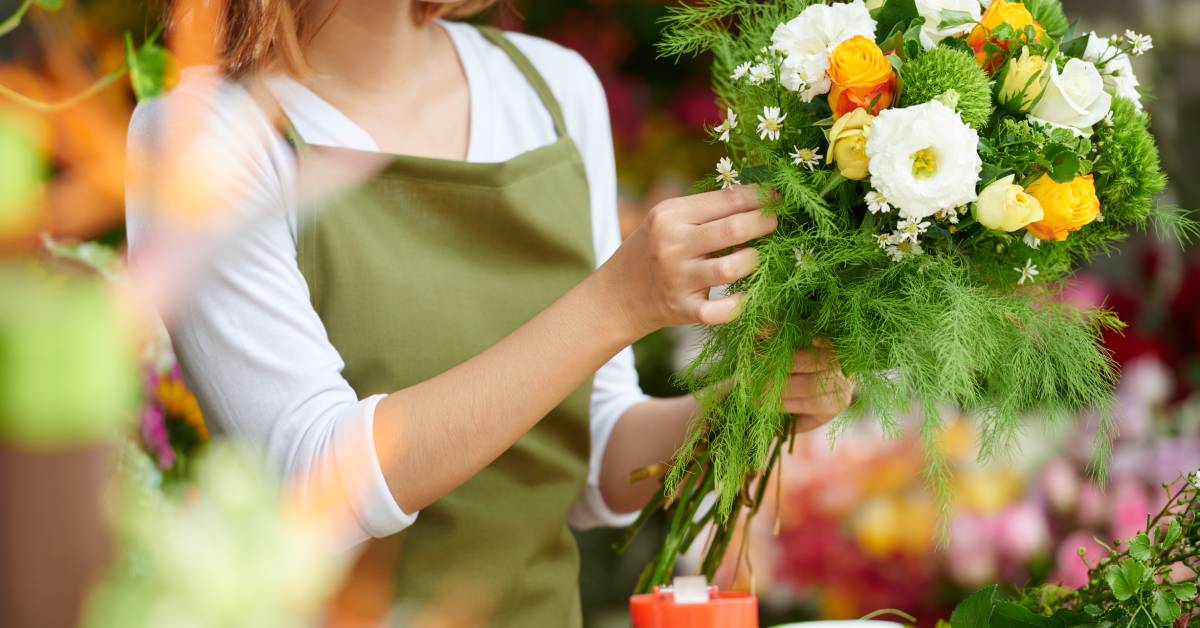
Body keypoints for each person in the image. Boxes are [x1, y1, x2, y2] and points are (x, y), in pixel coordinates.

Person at [125, 0, 854, 625]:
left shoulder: (550, 90)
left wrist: (740, 405)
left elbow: (596, 451)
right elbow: (313, 486)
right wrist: (615, 303)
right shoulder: (204, 139)